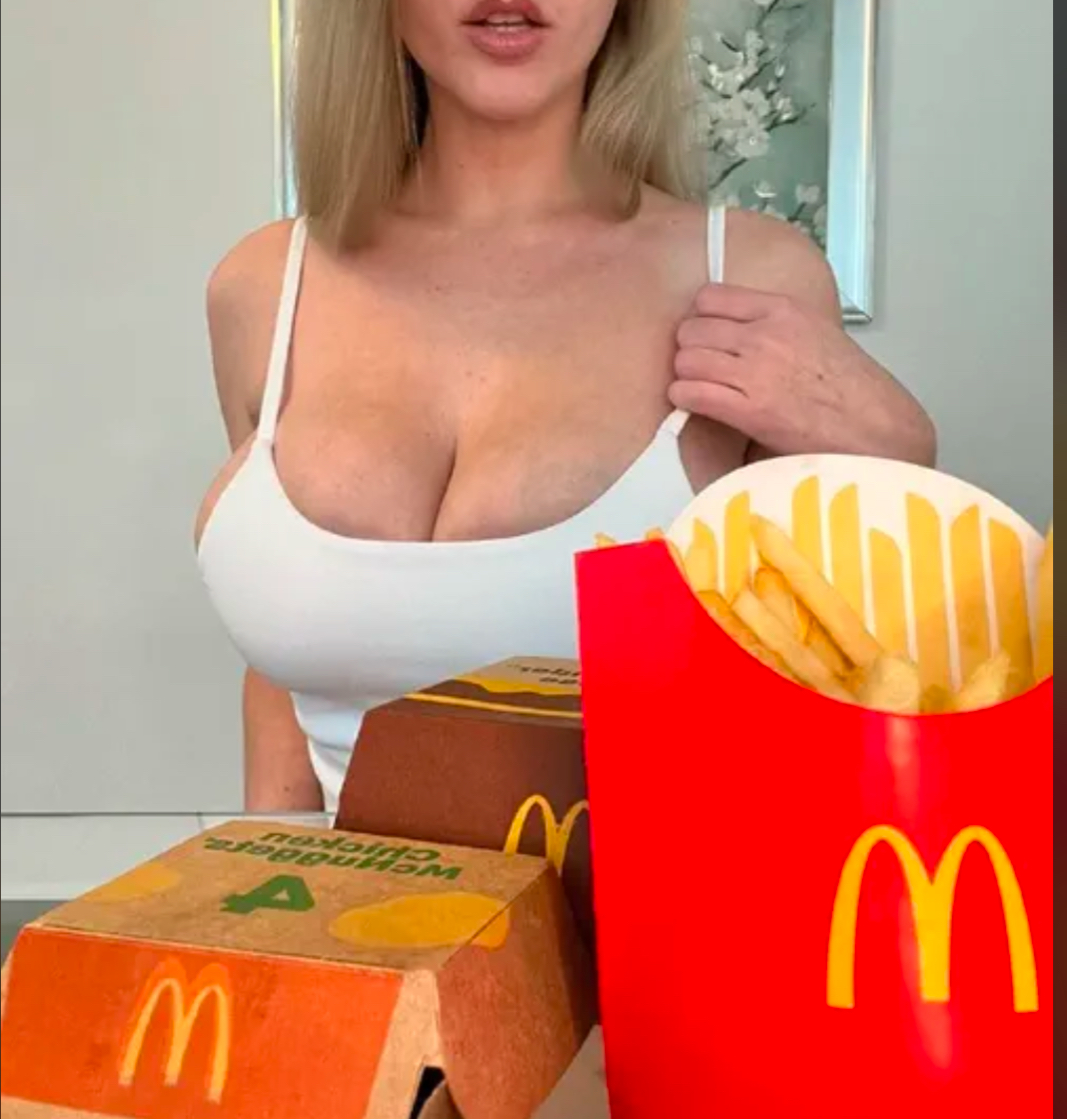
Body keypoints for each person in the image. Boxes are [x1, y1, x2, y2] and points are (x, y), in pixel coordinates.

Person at [196, 0, 936, 815]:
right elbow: (283, 677)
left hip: (648, 896)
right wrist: (256, 883)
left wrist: (904, 460)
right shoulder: (263, 287)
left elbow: (839, 692)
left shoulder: (750, 278)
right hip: (342, 897)